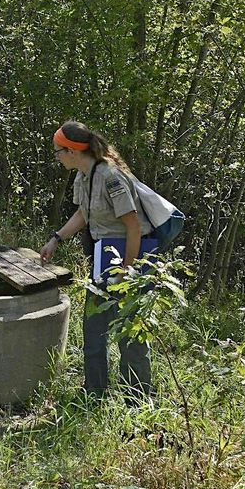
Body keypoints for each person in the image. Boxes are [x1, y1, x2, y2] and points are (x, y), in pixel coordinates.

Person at [39, 120, 154, 400]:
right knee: (94, 329)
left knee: (130, 337)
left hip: (132, 261)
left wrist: (128, 272)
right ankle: (94, 394)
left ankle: (136, 401)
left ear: (73, 151)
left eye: (58, 152)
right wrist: (56, 238)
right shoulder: (83, 176)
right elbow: (83, 214)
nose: (56, 157)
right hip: (104, 259)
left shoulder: (110, 177)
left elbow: (133, 226)